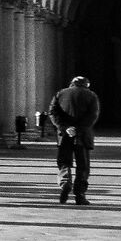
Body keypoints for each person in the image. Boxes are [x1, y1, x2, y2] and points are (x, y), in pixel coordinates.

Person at [49, 75, 100, 204]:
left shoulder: (60, 94)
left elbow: (53, 112)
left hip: (65, 135)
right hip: (82, 135)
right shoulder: (91, 95)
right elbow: (93, 115)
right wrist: (78, 129)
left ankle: (65, 182)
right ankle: (80, 195)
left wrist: (65, 127)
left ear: (72, 83)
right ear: (86, 85)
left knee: (64, 161)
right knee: (82, 165)